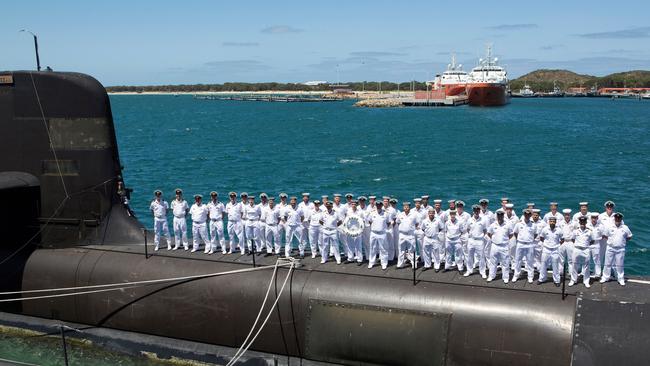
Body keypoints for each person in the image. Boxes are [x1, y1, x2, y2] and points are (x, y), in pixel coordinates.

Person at [600, 212, 632, 286]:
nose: (617, 219)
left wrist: (622, 241)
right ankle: (605, 277)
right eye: (616, 218)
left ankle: (620, 278)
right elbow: (605, 235)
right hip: (610, 247)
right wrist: (612, 241)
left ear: (621, 219)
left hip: (620, 249)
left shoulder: (625, 227)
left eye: (619, 218)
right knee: (607, 263)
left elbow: (629, 236)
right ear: (614, 218)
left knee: (619, 264)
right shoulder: (610, 226)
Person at [487, 209, 513, 283]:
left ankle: (505, 277)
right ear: (497, 216)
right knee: (493, 262)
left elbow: (511, 235)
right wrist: (495, 240)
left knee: (505, 262)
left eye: (501, 215)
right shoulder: (493, 225)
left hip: (504, 246)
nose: (500, 217)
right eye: (498, 215)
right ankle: (491, 276)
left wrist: (504, 241)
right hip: (494, 245)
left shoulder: (508, 225)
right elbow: (489, 233)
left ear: (503, 216)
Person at [512, 209, 538, 283]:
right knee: (518, 260)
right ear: (524, 215)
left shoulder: (533, 225)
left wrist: (530, 240)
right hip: (520, 244)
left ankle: (530, 276)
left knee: (530, 261)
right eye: (525, 214)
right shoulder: (519, 224)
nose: (527, 216)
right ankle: (516, 275)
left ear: (530, 215)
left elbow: (535, 234)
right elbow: (515, 233)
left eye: (528, 214)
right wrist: (520, 239)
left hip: (529, 244)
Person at [569, 216, 594, 288]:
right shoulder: (575, 231)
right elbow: (573, 239)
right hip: (577, 249)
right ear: (579, 223)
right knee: (574, 265)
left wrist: (585, 245)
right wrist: (578, 245)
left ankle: (586, 281)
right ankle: (573, 280)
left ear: (586, 223)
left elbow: (592, 241)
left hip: (586, 249)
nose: (582, 223)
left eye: (584, 222)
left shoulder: (589, 231)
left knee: (586, 266)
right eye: (581, 222)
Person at [538, 216, 563, 286]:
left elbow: (562, 239)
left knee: (555, 265)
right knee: (543, 264)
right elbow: (541, 238)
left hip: (555, 250)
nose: (552, 222)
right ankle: (542, 279)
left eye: (553, 221)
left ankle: (557, 280)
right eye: (551, 221)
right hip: (546, 249)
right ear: (549, 222)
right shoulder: (545, 229)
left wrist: (557, 245)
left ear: (555, 222)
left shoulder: (559, 230)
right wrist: (547, 244)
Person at [465, 205, 488, 278]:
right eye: (475, 211)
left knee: (481, 257)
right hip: (471, 240)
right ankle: (469, 270)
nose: (476, 212)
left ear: (479, 211)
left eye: (477, 211)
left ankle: (483, 272)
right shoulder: (469, 220)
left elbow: (485, 230)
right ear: (473, 211)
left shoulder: (483, 220)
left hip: (479, 241)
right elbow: (468, 229)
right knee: (469, 256)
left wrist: (480, 236)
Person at [367, 201, 391, 270]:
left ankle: (384, 263)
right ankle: (371, 263)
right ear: (375, 205)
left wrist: (382, 228)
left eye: (380, 205)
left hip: (382, 234)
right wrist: (375, 227)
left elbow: (388, 223)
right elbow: (370, 221)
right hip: (373, 233)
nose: (378, 206)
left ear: (381, 205)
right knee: (372, 248)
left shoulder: (386, 214)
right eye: (377, 205)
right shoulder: (372, 213)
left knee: (383, 249)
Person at [420, 207, 445, 271]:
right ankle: (427, 265)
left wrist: (435, 233)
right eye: (430, 213)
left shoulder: (438, 220)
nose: (431, 214)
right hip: (427, 238)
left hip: (435, 238)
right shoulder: (425, 221)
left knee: (436, 253)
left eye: (432, 213)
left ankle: (437, 266)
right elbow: (422, 228)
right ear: (428, 213)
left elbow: (441, 228)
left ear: (434, 213)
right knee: (426, 252)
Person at [396, 202, 419, 268]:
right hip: (402, 235)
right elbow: (398, 222)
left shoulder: (414, 215)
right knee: (401, 250)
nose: (406, 208)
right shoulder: (400, 215)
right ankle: (400, 264)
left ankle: (414, 264)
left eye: (407, 207)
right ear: (403, 207)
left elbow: (417, 223)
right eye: (405, 207)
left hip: (410, 235)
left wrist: (410, 229)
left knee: (412, 250)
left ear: (410, 207)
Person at [344, 200, 364, 264]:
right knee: (349, 244)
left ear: (357, 205)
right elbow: (346, 221)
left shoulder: (360, 212)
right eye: (352, 204)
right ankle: (350, 258)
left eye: (355, 204)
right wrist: (346, 230)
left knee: (358, 245)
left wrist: (360, 230)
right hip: (349, 230)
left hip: (358, 230)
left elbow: (363, 221)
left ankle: (359, 259)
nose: (353, 205)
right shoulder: (348, 211)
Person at [587, 211, 605, 278]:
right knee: (587, 259)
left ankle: (598, 274)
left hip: (596, 244)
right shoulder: (587, 225)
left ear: (597, 218)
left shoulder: (600, 226)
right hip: (588, 244)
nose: (594, 219)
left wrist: (597, 239)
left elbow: (603, 235)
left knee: (597, 260)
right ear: (591, 218)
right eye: (592, 218)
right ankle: (585, 272)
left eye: (595, 218)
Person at [559, 208, 575, 275]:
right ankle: (560, 272)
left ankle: (571, 273)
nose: (567, 216)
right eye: (565, 215)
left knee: (571, 260)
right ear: (564, 215)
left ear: (570, 215)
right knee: (561, 259)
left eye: (568, 215)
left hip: (570, 242)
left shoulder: (574, 223)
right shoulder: (560, 223)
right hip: (562, 242)